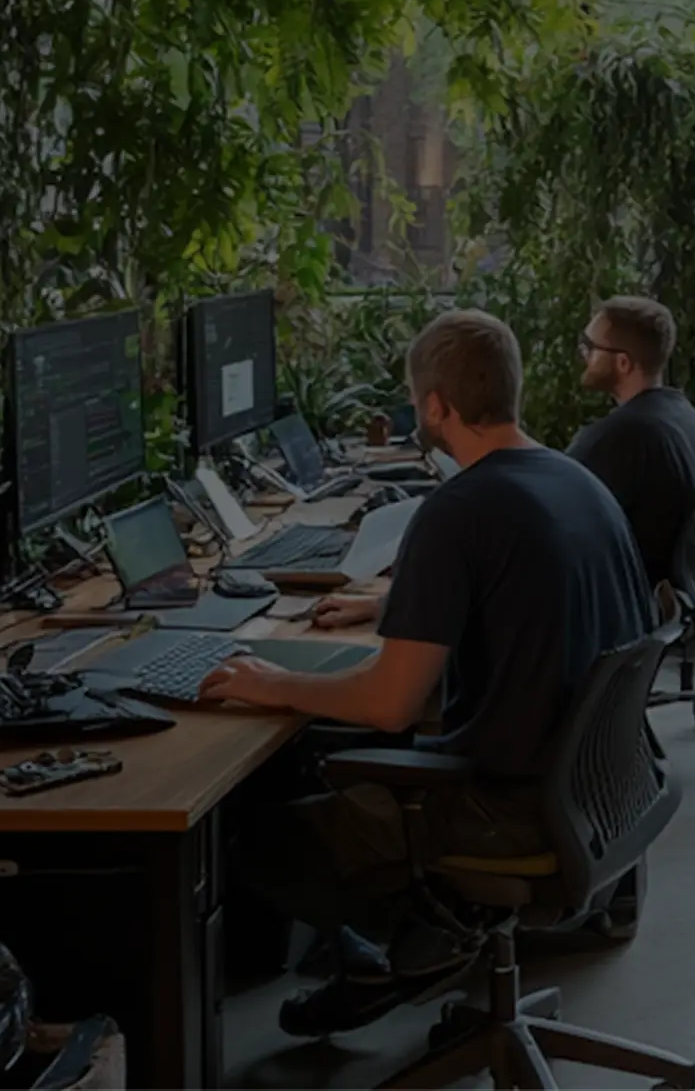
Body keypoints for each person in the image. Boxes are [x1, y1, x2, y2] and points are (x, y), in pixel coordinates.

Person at [204, 309, 656, 1036]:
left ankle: (412, 947)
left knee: (249, 836)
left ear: (437, 406)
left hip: (504, 809)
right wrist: (396, 602)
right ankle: (406, 950)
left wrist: (273, 682)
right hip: (597, 789)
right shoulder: (577, 482)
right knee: (323, 766)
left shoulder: (458, 510)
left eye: (417, 400)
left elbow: (389, 704)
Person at [565, 295, 695, 589]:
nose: (583, 354)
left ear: (623, 363)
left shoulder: (624, 435)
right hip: (675, 601)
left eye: (590, 347)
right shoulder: (689, 420)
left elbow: (554, 514)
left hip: (628, 604)